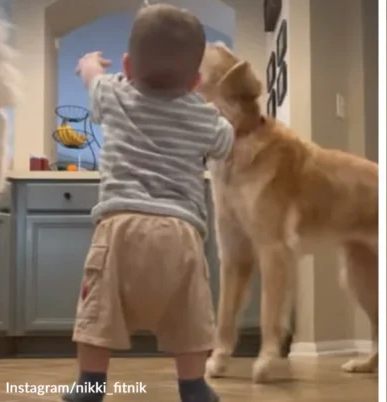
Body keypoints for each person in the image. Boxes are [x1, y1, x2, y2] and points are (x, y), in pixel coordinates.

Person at [62, 4, 233, 402]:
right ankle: (193, 386)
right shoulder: (204, 116)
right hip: (181, 232)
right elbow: (226, 142)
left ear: (127, 64)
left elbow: (92, 76)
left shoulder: (113, 91)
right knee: (189, 317)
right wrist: (209, 102)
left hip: (119, 226)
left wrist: (89, 62)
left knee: (97, 311)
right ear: (195, 80)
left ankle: (90, 383)